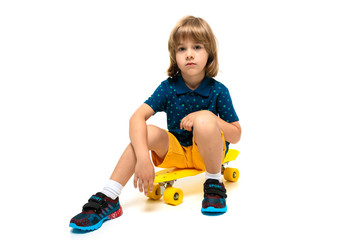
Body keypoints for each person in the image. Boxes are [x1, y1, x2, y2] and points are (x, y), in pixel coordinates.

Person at [70, 15, 241, 231]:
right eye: (181, 49)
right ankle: (109, 196)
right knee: (145, 132)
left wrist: (208, 118)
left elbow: (236, 134)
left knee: (206, 120)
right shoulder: (169, 87)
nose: (189, 53)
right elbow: (136, 117)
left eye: (197, 47)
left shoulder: (218, 90)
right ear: (174, 55)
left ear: (210, 54)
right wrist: (143, 158)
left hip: (208, 156)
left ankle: (214, 184)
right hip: (178, 151)